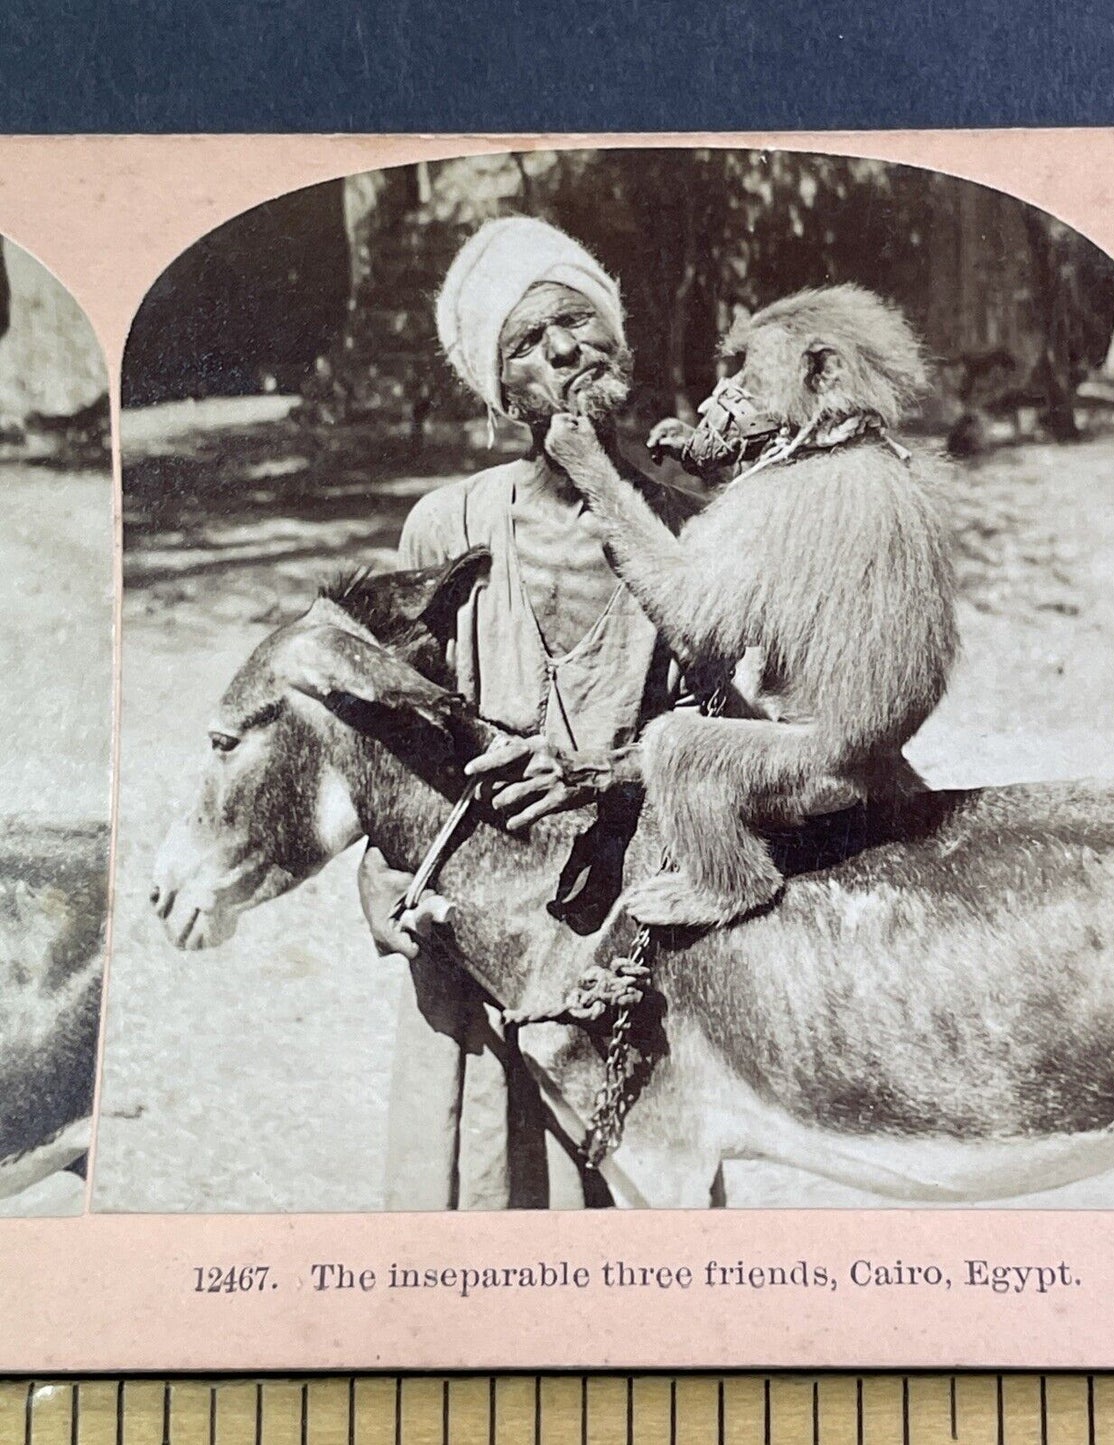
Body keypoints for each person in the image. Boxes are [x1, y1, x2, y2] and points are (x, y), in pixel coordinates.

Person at [357, 216, 694, 1211]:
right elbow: (389, 742)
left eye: (579, 320)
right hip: (471, 953)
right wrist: (377, 879)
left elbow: (742, 746)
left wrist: (612, 773)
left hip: (629, 955)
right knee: (474, 1223)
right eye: (526, 338)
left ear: (619, 345)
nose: (562, 347)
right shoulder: (445, 527)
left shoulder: (692, 537)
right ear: (501, 394)